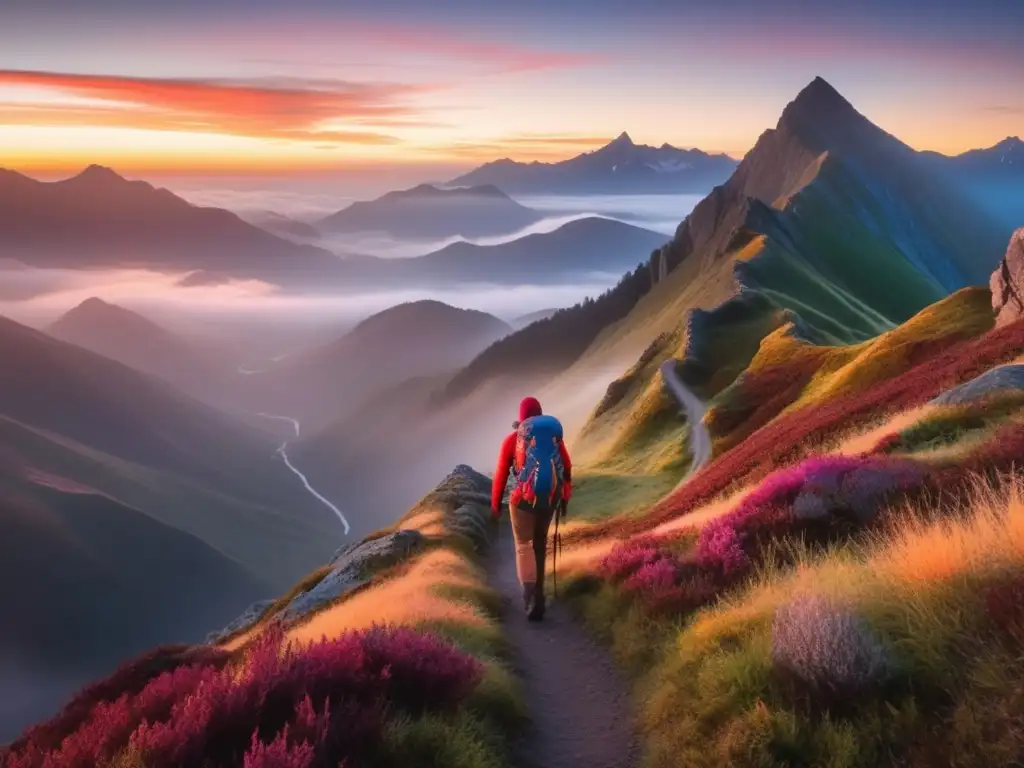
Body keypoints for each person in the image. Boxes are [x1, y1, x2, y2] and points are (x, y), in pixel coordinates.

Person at [491, 396, 572, 621]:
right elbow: (566, 467)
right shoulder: (555, 439)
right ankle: (540, 593)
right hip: (549, 498)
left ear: (520, 418)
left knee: (523, 545)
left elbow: (500, 475)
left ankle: (530, 597)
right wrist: (563, 497)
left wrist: (495, 504)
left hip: (523, 499)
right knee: (539, 544)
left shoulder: (512, 440)